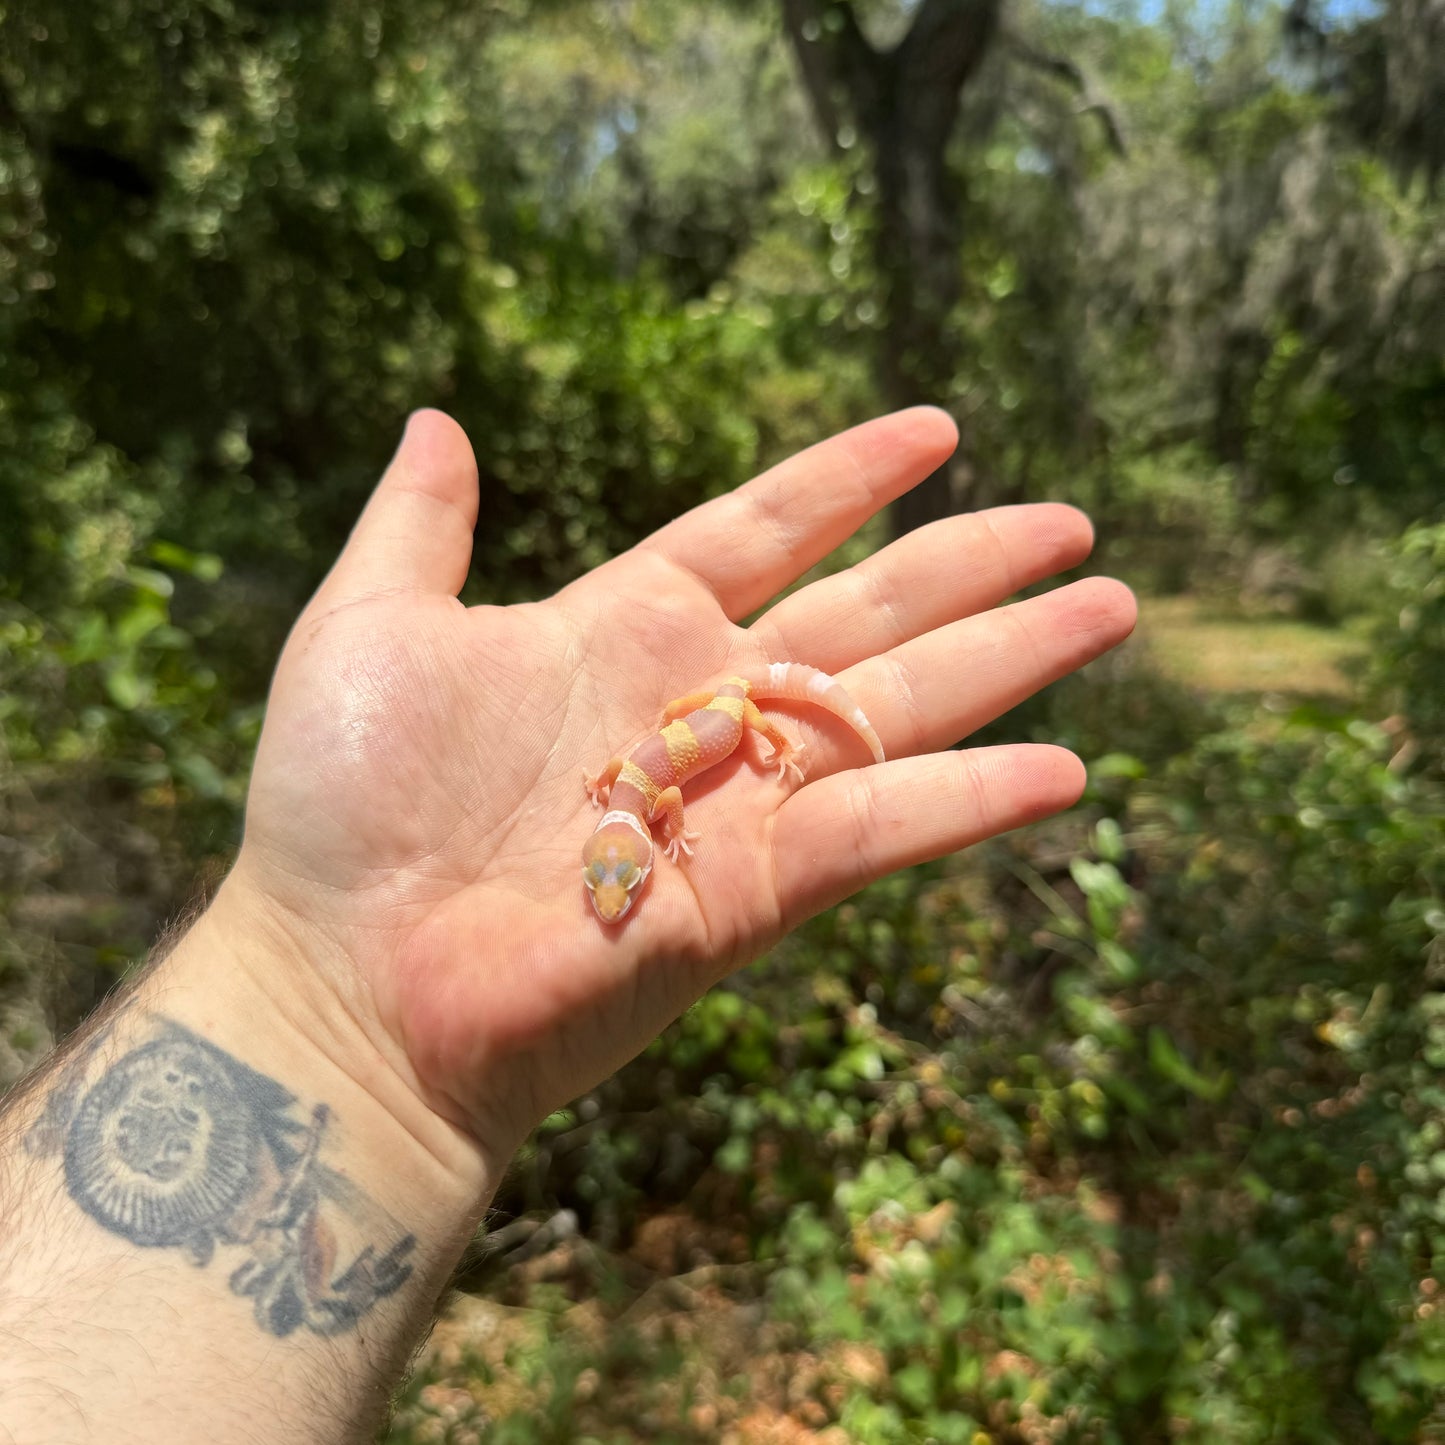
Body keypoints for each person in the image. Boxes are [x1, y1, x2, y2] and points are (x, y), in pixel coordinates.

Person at [0, 407, 1135, 1442]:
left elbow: (684, 758)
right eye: (615, 884)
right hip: (702, 730)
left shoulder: (658, 788)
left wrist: (774, 734)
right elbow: (641, 793)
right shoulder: (631, 812)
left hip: (733, 712)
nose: (615, 896)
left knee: (781, 709)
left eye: (618, 881)